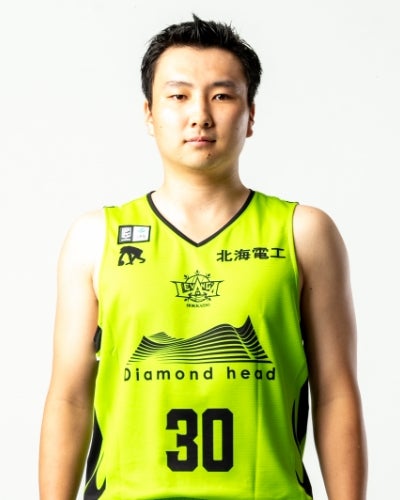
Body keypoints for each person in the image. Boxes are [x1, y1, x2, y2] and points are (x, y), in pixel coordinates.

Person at [39, 14, 367, 500]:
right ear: (149, 114)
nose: (200, 115)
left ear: (250, 115)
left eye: (222, 96)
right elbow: (69, 397)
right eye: (178, 96)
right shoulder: (96, 237)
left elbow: (336, 392)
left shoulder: (304, 232)